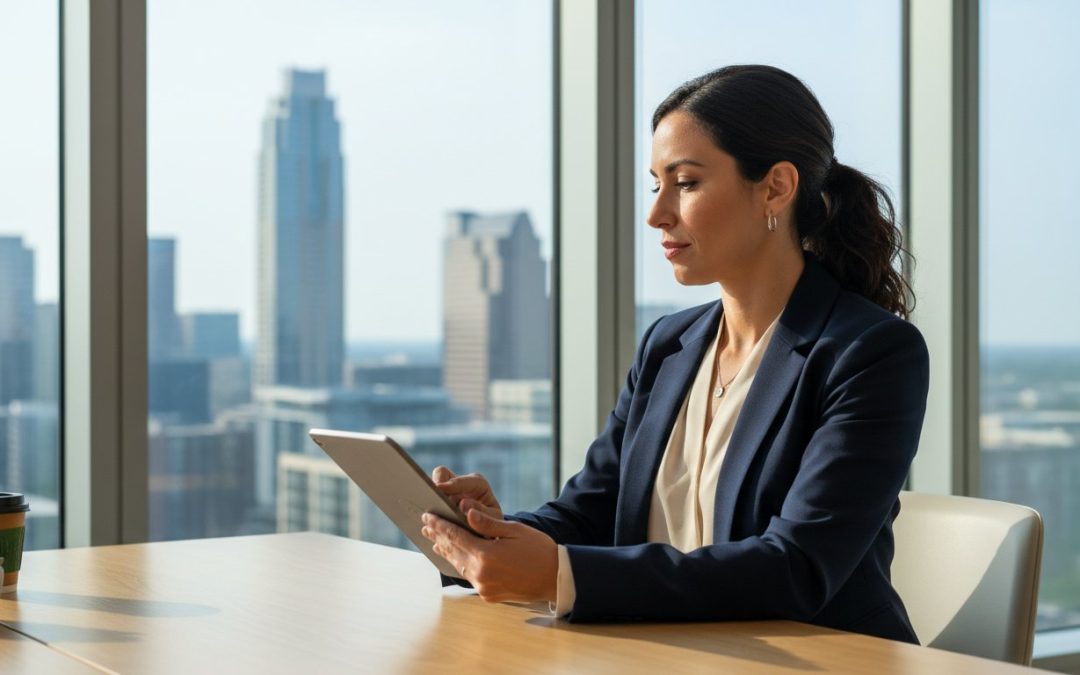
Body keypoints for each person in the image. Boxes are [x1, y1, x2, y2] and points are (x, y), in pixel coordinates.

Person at [419, 64, 929, 643]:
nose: (656, 214)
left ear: (776, 187)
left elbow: (795, 568)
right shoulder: (669, 345)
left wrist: (560, 573)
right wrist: (493, 532)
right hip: (670, 654)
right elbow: (593, 512)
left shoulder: (868, 353)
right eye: (655, 184)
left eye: (685, 183)